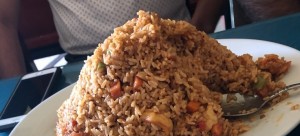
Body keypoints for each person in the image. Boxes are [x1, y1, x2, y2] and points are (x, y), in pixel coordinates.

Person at [0, 0, 227, 79]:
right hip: (84, 67)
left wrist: (200, 29)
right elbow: (3, 19)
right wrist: (20, 99)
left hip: (178, 46)